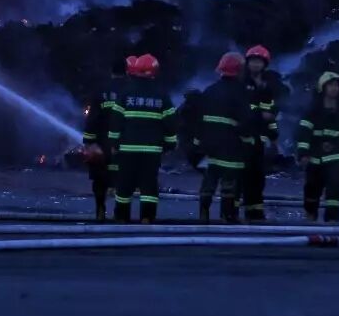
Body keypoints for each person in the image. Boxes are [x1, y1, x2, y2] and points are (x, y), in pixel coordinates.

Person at [110, 54, 178, 224]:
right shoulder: (162, 94)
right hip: (152, 150)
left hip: (127, 149)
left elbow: (116, 121)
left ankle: (121, 217)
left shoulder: (126, 93)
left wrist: (113, 144)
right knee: (148, 185)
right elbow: (170, 123)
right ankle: (147, 217)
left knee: (124, 183)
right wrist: (170, 144)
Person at [191, 52, 255, 223]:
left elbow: (198, 119)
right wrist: (249, 142)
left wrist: (198, 144)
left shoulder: (210, 90)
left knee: (209, 180)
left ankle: (203, 214)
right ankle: (228, 216)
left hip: (209, 147)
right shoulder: (240, 92)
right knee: (229, 183)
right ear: (239, 70)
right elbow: (247, 121)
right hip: (231, 147)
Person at [297, 72, 339, 223]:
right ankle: (310, 214)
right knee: (312, 188)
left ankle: (332, 219)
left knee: (334, 185)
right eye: (330, 85)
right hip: (314, 156)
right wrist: (303, 154)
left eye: (336, 85)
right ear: (322, 88)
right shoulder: (313, 110)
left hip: (336, 155)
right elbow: (304, 133)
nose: (334, 88)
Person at [241, 44, 283, 221]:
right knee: (242, 175)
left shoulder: (267, 86)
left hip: (259, 138)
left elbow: (271, 115)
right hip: (242, 137)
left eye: (259, 61)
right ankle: (232, 211)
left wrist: (274, 139)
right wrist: (260, 114)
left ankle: (255, 211)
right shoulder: (241, 83)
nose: (256, 65)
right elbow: (242, 109)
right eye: (253, 61)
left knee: (258, 176)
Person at [81, 60, 125, 221]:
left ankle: (100, 209)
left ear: (111, 72)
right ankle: (120, 214)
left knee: (100, 179)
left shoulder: (101, 90)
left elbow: (92, 119)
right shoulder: (131, 90)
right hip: (123, 144)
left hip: (102, 143)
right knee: (123, 180)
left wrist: (89, 142)